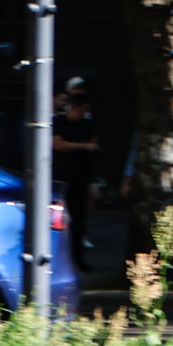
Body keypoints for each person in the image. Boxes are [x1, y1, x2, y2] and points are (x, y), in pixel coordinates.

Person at [51, 78, 99, 266]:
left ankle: (77, 259)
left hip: (80, 175)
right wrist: (83, 146)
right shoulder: (59, 122)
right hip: (62, 176)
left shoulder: (87, 125)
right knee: (60, 219)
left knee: (78, 220)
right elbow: (58, 144)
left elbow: (95, 143)